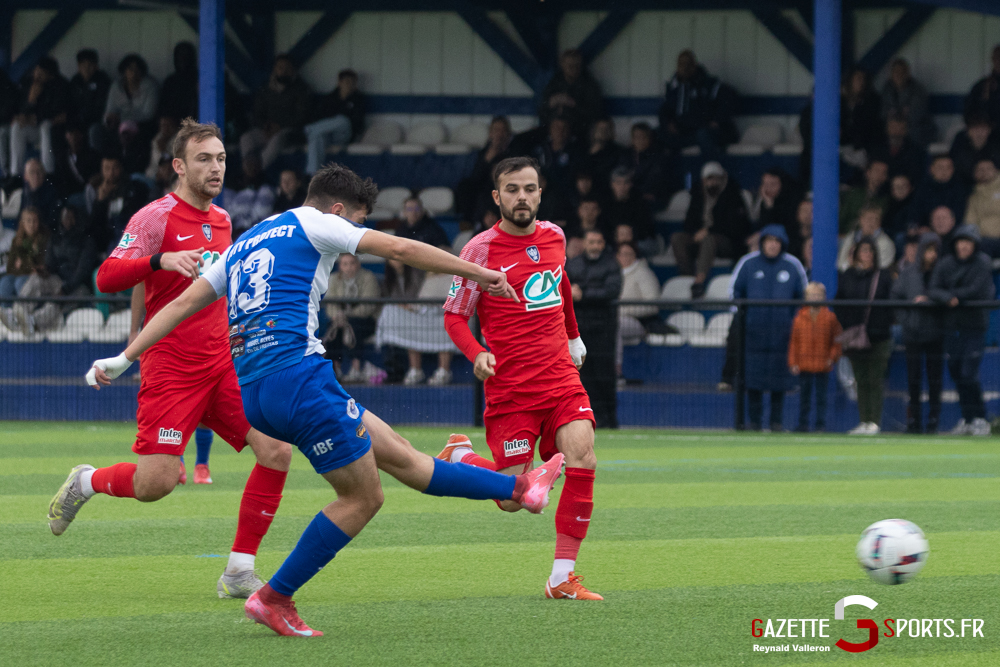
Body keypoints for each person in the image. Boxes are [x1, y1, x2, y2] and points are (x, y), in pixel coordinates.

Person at [88, 162, 563, 637]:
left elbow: (178, 304)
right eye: (356, 221)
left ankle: (522, 490)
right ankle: (273, 597)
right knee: (363, 497)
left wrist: (124, 357)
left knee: (403, 457)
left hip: (256, 391)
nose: (355, 231)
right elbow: (399, 247)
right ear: (338, 210)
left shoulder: (245, 241)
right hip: (299, 380)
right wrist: (478, 272)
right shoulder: (316, 222)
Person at [47, 119, 294, 602]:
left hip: (223, 364)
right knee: (155, 484)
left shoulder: (222, 220)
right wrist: (158, 262)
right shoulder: (154, 217)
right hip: (171, 370)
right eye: (204, 158)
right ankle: (86, 481)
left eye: (221, 158)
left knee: (277, 451)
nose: (216, 166)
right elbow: (107, 276)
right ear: (179, 166)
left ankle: (239, 571)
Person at [442, 156, 604, 601]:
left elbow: (561, 282)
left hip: (559, 377)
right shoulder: (478, 250)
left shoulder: (555, 236)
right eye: (512, 189)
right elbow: (455, 316)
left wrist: (573, 337)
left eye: (529, 189)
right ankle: (462, 458)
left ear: (539, 193)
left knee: (584, 455)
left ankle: (561, 578)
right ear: (497, 197)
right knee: (513, 498)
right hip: (512, 390)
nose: (522, 197)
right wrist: (477, 354)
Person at [730, 224, 807, 431]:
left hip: (782, 336)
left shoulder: (793, 265)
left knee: (779, 385)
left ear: (782, 244)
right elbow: (735, 293)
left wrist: (792, 323)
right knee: (752, 384)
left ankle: (776, 423)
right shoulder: (747, 264)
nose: (773, 245)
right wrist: (745, 320)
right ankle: (754, 423)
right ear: (762, 242)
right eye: (769, 241)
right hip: (753, 335)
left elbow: (802, 297)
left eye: (777, 241)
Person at [928, 225, 995, 436]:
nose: (964, 246)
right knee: (956, 372)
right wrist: (948, 298)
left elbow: (979, 290)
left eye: (968, 242)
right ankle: (967, 419)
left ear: (974, 245)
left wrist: (955, 296)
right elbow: (934, 288)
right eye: (961, 241)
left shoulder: (982, 264)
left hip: (973, 327)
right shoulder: (946, 264)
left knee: (968, 373)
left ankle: (980, 418)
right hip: (952, 327)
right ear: (955, 244)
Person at [834, 238, 894, 435]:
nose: (867, 254)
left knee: (874, 379)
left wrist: (878, 324)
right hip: (855, 338)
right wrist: (849, 326)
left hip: (878, 336)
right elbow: (839, 302)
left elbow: (890, 304)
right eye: (863, 250)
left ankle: (874, 422)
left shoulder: (883, 276)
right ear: (856, 253)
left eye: (870, 251)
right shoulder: (848, 276)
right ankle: (864, 420)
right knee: (860, 380)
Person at [567, 229, 622, 428]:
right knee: (583, 376)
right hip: (578, 329)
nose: (595, 246)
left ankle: (609, 420)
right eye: (592, 241)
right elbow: (565, 287)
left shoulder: (611, 264)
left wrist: (584, 294)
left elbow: (612, 290)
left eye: (599, 242)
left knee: (605, 375)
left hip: (604, 329)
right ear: (584, 242)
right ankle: (585, 418)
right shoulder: (573, 264)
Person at [890, 233, 944, 434]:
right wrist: (907, 320)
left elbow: (947, 298)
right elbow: (895, 297)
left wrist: (929, 302)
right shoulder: (909, 273)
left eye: (935, 251)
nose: (931, 255)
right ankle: (914, 421)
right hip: (913, 333)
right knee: (913, 379)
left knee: (935, 379)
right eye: (928, 250)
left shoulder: (942, 273)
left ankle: (933, 420)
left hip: (935, 333)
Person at [671, 161, 750, 298]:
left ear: (722, 178)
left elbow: (736, 227)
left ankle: (699, 282)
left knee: (709, 239)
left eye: (715, 178)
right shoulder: (697, 195)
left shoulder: (733, 195)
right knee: (677, 238)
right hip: (700, 238)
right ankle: (687, 278)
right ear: (703, 180)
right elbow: (688, 222)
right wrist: (695, 233)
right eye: (709, 179)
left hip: (726, 243)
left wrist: (709, 230)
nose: (712, 182)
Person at [659, 50, 738, 157]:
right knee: (658, 135)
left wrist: (717, 121)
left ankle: (712, 171)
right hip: (684, 133)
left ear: (694, 64)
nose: (685, 67)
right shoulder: (673, 88)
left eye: (688, 64)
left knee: (704, 135)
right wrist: (668, 123)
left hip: (706, 131)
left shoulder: (709, 84)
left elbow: (729, 101)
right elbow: (664, 110)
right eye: (681, 64)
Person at [240, 55, 312, 170]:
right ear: (275, 69)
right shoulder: (266, 89)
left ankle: (258, 172)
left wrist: (280, 126)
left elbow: (302, 116)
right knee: (247, 138)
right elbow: (257, 113)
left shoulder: (301, 89)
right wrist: (265, 126)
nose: (284, 71)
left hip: (290, 132)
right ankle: (248, 170)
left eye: (287, 68)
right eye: (280, 68)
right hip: (267, 130)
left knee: (277, 139)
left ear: (293, 70)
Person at [788, 282, 842, 432]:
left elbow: (836, 340)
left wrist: (832, 357)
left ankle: (820, 424)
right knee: (804, 398)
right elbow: (794, 342)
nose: (815, 298)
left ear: (824, 297)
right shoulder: (799, 318)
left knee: (821, 398)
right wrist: (793, 362)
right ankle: (803, 424)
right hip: (804, 364)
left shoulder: (830, 318)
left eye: (818, 295)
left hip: (822, 365)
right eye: (812, 295)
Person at [323, 253, 380, 383]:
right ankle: (336, 368)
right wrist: (337, 317)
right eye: (345, 264)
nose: (349, 267)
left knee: (354, 326)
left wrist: (346, 317)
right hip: (340, 320)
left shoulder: (368, 277)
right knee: (333, 327)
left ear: (358, 264)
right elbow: (330, 304)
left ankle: (356, 368)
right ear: (340, 266)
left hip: (366, 321)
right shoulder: (333, 279)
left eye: (352, 263)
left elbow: (368, 307)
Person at [10, 56, 69, 176]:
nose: (37, 75)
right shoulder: (29, 82)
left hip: (55, 131)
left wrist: (37, 118)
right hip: (35, 130)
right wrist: (31, 101)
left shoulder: (60, 85)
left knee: (45, 126)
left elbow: (57, 112)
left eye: (41, 73)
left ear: (50, 75)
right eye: (36, 71)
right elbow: (20, 109)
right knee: (17, 127)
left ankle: (48, 172)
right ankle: (16, 173)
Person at [305, 69, 365, 174]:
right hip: (327, 135)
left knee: (343, 120)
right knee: (317, 139)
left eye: (353, 82)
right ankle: (312, 176)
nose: (350, 85)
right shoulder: (329, 99)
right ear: (339, 83)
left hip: (344, 136)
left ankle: (309, 130)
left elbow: (358, 123)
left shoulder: (359, 100)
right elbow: (320, 118)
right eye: (347, 82)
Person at [616, 241, 662, 378]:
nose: (625, 257)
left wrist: (624, 310)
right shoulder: (613, 273)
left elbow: (653, 305)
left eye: (629, 254)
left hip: (639, 322)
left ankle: (616, 371)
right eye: (622, 254)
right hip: (614, 317)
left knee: (614, 325)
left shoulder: (643, 273)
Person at [538, 49, 604, 138]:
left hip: (579, 135)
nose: (573, 69)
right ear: (562, 65)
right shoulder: (554, 83)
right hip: (553, 135)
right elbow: (540, 110)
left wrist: (573, 104)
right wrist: (551, 103)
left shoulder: (589, 85)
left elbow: (596, 114)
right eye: (570, 66)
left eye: (576, 66)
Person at [0, 208, 48, 329]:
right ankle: (7, 316)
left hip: (38, 278)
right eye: (28, 221)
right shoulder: (17, 240)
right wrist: (26, 267)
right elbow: (11, 267)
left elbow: (42, 266)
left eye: (34, 221)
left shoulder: (44, 240)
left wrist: (23, 265)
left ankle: (24, 317)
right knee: (5, 282)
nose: (31, 225)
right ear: (23, 223)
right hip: (19, 274)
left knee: (20, 283)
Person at [101, 54, 159, 146]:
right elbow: (110, 110)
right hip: (117, 125)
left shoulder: (150, 86)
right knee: (97, 131)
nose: (134, 73)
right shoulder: (116, 87)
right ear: (124, 71)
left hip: (142, 125)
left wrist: (122, 118)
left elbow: (149, 114)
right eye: (130, 69)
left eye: (137, 69)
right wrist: (109, 119)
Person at [604, 167, 657, 258]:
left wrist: (631, 234)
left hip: (638, 241)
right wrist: (616, 235)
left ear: (630, 184)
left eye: (625, 183)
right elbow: (603, 228)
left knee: (647, 246)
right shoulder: (605, 204)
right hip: (613, 242)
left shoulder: (640, 202)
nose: (622, 187)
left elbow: (647, 229)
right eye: (618, 183)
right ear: (612, 184)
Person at [881, 58, 934, 147]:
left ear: (908, 74)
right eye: (896, 72)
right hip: (893, 128)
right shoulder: (887, 89)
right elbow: (884, 113)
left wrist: (898, 119)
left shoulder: (918, 90)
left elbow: (915, 116)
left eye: (902, 72)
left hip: (913, 130)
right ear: (891, 74)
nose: (899, 75)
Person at [907, 155, 969, 230]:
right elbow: (915, 214)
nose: (944, 171)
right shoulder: (922, 189)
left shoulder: (960, 189)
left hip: (954, 230)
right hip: (927, 231)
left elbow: (961, 215)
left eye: (948, 168)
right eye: (940, 167)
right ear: (931, 169)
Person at [620, 122, 670, 206]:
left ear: (650, 139)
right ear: (632, 139)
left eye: (644, 137)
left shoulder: (658, 157)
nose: (641, 140)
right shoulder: (625, 155)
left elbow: (654, 181)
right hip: (631, 196)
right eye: (637, 137)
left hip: (651, 196)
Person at [68, 49, 111, 143]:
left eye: (90, 65)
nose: (86, 69)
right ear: (78, 67)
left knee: (93, 131)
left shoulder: (103, 81)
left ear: (96, 66)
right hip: (77, 122)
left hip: (96, 122)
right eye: (83, 65)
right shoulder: (75, 81)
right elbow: (70, 106)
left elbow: (101, 107)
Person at [870, 115, 926, 186]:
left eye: (900, 128)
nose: (896, 132)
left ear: (906, 130)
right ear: (887, 129)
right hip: (880, 187)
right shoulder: (877, 147)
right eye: (893, 127)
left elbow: (915, 175)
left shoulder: (915, 150)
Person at [837, 205, 896, 271]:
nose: (872, 223)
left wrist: (855, 265)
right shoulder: (851, 237)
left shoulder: (885, 243)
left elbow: (879, 269)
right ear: (861, 219)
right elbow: (840, 264)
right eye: (869, 219)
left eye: (876, 219)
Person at [839, 159, 888, 237]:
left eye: (883, 172)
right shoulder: (854, 193)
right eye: (877, 171)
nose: (880, 175)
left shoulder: (885, 200)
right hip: (845, 236)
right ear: (868, 173)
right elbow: (842, 217)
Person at [949, 112, 1000, 185]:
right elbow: (955, 166)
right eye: (975, 129)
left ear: (989, 130)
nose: (979, 133)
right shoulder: (960, 144)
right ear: (968, 131)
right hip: (965, 185)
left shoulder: (996, 145)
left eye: (983, 129)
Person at [963, 158, 1000, 257]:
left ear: (996, 170)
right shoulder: (974, 197)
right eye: (980, 170)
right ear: (975, 174)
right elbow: (970, 222)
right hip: (984, 241)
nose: (985, 172)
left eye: (988, 169)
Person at [841, 68, 883, 154]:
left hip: (863, 150)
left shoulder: (871, 101)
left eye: (864, 79)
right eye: (858, 78)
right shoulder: (840, 101)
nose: (862, 82)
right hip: (842, 148)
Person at [157, 42, 199, 123]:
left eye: (186, 56)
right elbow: (162, 109)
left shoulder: (200, 79)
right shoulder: (170, 81)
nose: (182, 59)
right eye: (179, 55)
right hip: (172, 125)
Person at [54, 124, 101, 195]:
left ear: (81, 135)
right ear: (66, 136)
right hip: (72, 195)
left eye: (75, 134)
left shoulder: (92, 154)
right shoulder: (62, 159)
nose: (73, 137)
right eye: (70, 134)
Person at [965, 45, 1000, 127]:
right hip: (987, 135)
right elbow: (968, 114)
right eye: (997, 58)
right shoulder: (981, 87)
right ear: (993, 60)